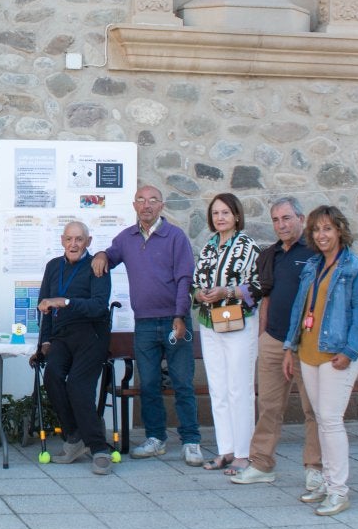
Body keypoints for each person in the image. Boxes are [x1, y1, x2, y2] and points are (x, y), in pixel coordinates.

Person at [92, 184, 202, 466]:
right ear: (134, 205)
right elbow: (111, 255)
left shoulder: (175, 236)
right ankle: (156, 439)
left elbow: (184, 279)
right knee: (150, 384)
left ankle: (191, 441)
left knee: (182, 383)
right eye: (141, 200)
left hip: (174, 320)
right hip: (144, 323)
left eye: (153, 200)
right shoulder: (127, 238)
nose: (147, 205)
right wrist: (102, 255)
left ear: (161, 206)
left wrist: (180, 315)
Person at [284, 205, 358, 517]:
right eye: (317, 230)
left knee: (331, 420)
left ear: (339, 231)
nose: (322, 235)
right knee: (321, 419)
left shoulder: (355, 268)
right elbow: (300, 308)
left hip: (336, 354)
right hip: (308, 352)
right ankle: (325, 480)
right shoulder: (312, 265)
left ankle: (339, 491)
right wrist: (290, 346)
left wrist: (349, 351)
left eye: (328, 229)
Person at [232, 197, 322, 490]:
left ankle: (315, 468)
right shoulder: (270, 254)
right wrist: (263, 335)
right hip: (273, 339)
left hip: (307, 343)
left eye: (286, 218)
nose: (281, 225)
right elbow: (266, 295)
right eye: (275, 220)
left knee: (313, 409)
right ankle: (261, 464)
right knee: (269, 405)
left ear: (301, 217)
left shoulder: (315, 253)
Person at [36, 221, 115, 475]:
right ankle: (74, 437)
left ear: (88, 242)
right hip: (61, 337)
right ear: (62, 240)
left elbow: (99, 306)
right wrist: (44, 342)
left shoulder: (97, 266)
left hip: (91, 335)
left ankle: (99, 448)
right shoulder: (53, 266)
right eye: (69, 239)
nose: (73, 244)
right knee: (52, 377)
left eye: (79, 239)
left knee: (78, 387)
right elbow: (44, 306)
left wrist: (65, 302)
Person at [192, 193, 263, 476]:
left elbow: (258, 286)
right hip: (210, 323)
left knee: (239, 388)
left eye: (225, 212)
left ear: (236, 215)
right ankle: (226, 450)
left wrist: (228, 292)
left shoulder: (248, 246)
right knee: (218, 389)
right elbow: (196, 281)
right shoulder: (208, 246)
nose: (219, 217)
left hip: (239, 323)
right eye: (215, 213)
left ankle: (244, 454)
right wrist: (199, 293)